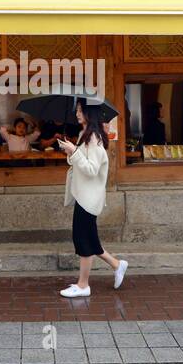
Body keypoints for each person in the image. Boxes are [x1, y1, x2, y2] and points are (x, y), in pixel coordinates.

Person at [56, 100, 127, 298]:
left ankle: (83, 285)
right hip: (83, 196)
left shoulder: (94, 138)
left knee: (83, 240)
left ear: (90, 113)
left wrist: (75, 151)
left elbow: (91, 170)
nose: (77, 113)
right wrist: (71, 151)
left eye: (81, 110)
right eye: (77, 110)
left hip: (89, 198)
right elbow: (80, 162)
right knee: (90, 239)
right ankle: (117, 264)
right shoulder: (84, 135)